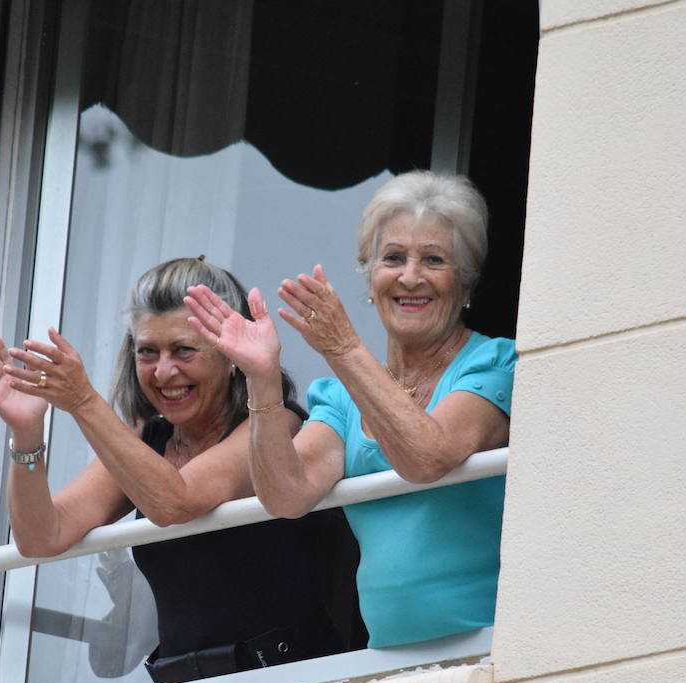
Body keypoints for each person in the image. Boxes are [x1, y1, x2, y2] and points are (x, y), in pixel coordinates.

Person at [0, 257, 357, 683]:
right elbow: (42, 536)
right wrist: (26, 433)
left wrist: (82, 402)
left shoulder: (274, 425)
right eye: (147, 352)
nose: (164, 371)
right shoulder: (147, 442)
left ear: (231, 355)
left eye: (184, 350)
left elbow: (176, 502)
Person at [186, 172, 516, 648]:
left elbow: (427, 456)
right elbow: (286, 495)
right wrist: (261, 378)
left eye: (434, 259)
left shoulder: (494, 362)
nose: (410, 276)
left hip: (487, 648)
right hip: (384, 656)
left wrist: (342, 348)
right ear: (369, 276)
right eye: (393, 258)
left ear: (465, 281)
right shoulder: (341, 397)